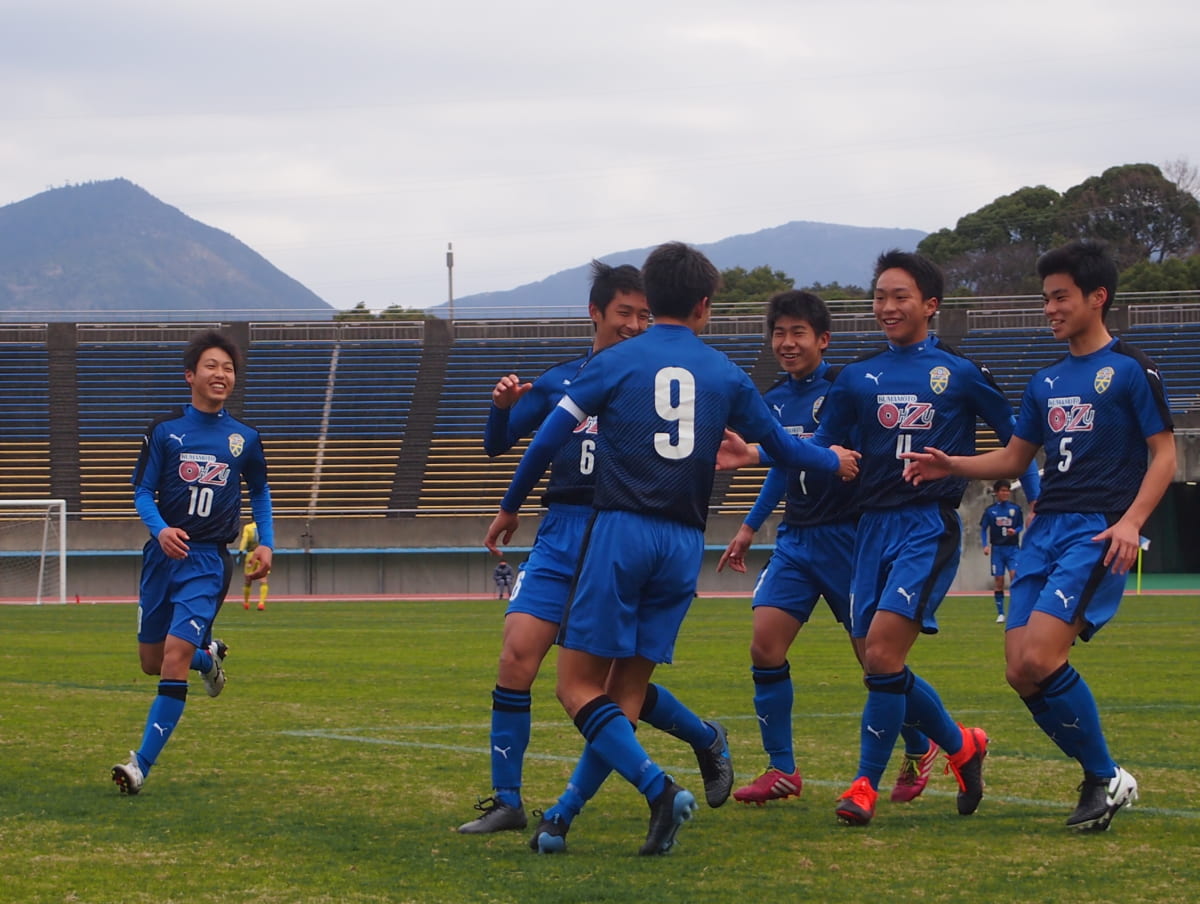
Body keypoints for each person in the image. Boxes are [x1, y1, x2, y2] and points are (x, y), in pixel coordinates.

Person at [484, 242, 859, 855]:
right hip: (685, 542)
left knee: (576, 686)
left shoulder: (615, 363)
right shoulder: (727, 373)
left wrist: (509, 506)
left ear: (649, 301)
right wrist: (832, 458)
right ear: (705, 306)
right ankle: (564, 816)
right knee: (626, 690)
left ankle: (659, 791)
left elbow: (545, 438)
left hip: (621, 531)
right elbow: (786, 451)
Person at [741, 249, 1035, 827]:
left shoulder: (962, 372)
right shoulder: (855, 379)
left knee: (878, 655)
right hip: (868, 529)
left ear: (930, 305)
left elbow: (1017, 445)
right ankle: (960, 744)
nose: (887, 306)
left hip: (925, 525)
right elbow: (817, 446)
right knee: (879, 661)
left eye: (900, 296)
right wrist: (752, 451)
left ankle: (862, 786)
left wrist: (1037, 498)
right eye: (879, 296)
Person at [902, 239, 1174, 831]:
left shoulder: (1132, 369)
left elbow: (1165, 456)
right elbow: (1013, 457)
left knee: (1043, 656)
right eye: (1045, 298)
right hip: (1044, 529)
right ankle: (1106, 774)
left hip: (1096, 531)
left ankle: (1102, 778)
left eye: (1060, 297)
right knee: (1018, 669)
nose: (1049, 308)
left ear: (1097, 298)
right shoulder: (1046, 381)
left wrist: (1131, 523)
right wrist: (952, 463)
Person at [460, 261, 735, 844]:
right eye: (624, 313)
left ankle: (697, 741)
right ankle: (507, 801)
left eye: (644, 313)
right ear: (596, 314)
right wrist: (501, 406)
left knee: (609, 685)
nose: (636, 324)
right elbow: (497, 445)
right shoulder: (562, 380)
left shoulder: (649, 377)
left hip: (618, 535)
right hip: (562, 533)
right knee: (517, 657)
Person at [716, 290, 937, 807]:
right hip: (796, 538)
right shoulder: (771, 400)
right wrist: (750, 526)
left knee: (876, 662)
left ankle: (924, 743)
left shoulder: (848, 390)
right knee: (764, 645)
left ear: (823, 339)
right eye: (778, 333)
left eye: (798, 333)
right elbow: (783, 464)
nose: (787, 343)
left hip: (848, 537)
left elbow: (841, 453)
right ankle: (782, 769)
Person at [112, 330, 273, 795]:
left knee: (173, 659)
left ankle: (139, 765)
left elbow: (260, 493)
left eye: (228, 368)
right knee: (152, 661)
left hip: (207, 561)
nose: (221, 374)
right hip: (162, 557)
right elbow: (142, 491)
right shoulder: (163, 430)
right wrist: (160, 529)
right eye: (211, 366)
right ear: (190, 375)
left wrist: (266, 544)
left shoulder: (245, 438)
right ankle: (209, 658)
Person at [980, 479, 1024, 623]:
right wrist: (985, 545)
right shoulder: (990, 511)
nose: (1005, 493)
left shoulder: (1015, 509)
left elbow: (1020, 526)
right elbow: (983, 529)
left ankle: (1016, 611)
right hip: (997, 550)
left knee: (1014, 576)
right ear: (997, 492)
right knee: (999, 581)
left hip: (1012, 549)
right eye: (1003, 491)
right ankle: (1000, 613)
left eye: (1007, 491)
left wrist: (1015, 531)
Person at [237, 520, 269, 610]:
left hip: (251, 554)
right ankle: (261, 603)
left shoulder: (248, 527)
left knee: (248, 579)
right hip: (262, 554)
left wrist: (240, 552)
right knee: (263, 578)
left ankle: (246, 603)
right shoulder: (264, 527)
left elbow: (244, 540)